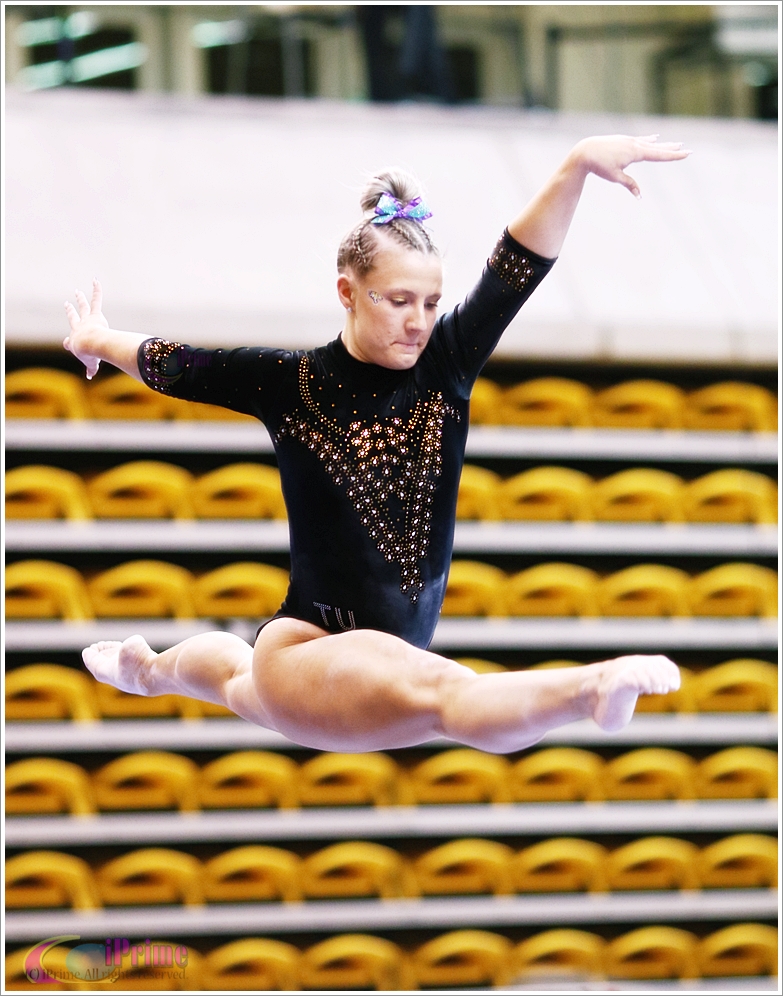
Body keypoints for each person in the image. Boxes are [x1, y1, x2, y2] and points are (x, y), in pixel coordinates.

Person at [65, 134, 689, 753]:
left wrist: (575, 167)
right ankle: (592, 688)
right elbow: (175, 365)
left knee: (234, 677)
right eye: (397, 301)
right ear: (348, 293)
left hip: (368, 671)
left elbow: (515, 267)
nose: (418, 321)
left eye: (430, 302)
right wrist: (98, 338)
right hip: (310, 650)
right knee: (449, 697)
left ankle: (147, 671)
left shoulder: (444, 367)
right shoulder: (295, 383)